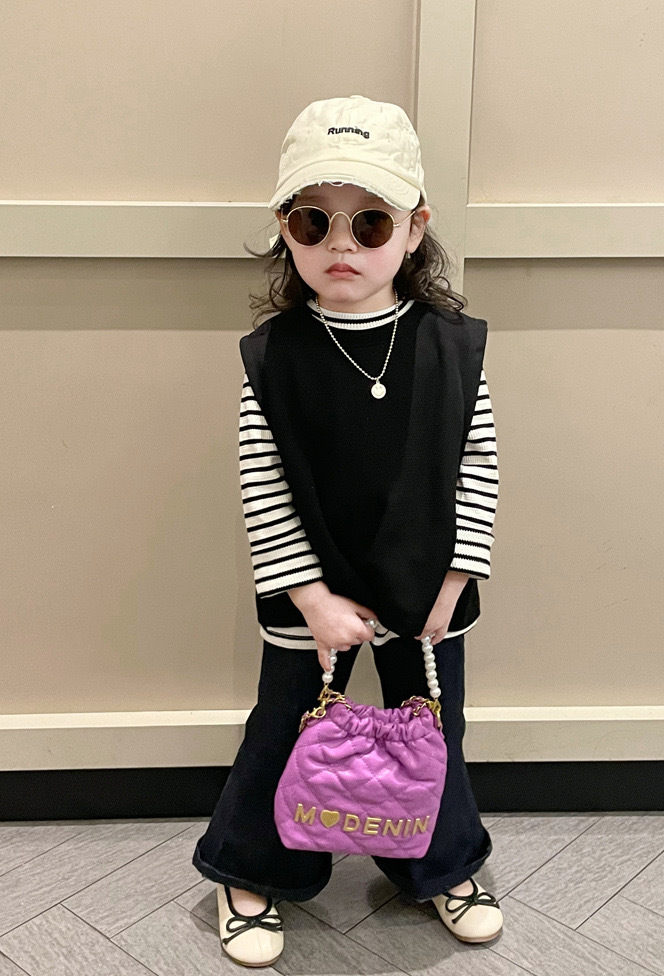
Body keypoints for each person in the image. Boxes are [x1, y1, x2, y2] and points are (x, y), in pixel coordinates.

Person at [192, 94, 502, 967]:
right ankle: (251, 871)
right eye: (312, 220)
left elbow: (478, 466)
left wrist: (453, 582)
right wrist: (311, 598)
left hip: (429, 588)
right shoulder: (274, 357)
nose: (341, 243)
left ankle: (438, 865)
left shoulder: (455, 347)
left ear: (414, 229)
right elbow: (263, 487)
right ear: (284, 231)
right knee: (284, 729)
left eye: (370, 222)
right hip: (310, 588)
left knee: (434, 731)